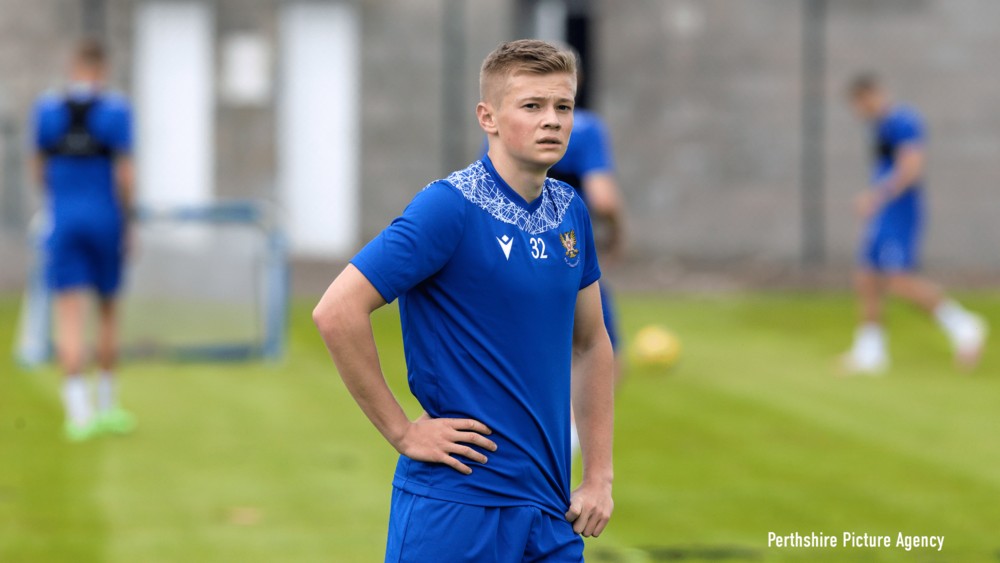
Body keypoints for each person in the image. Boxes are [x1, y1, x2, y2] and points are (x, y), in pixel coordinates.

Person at [313, 40, 614, 561]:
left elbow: (590, 344)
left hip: (550, 509)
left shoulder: (570, 210)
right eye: (532, 105)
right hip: (456, 506)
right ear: (487, 117)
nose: (552, 120)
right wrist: (403, 431)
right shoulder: (447, 207)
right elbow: (336, 310)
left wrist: (599, 477)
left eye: (562, 106)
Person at [842, 73, 987, 374]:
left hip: (899, 210)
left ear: (869, 96)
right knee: (867, 275)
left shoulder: (903, 121)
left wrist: (877, 196)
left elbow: (912, 168)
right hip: (884, 211)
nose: (858, 111)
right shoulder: (879, 126)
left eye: (859, 103)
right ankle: (870, 352)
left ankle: (963, 325)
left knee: (898, 280)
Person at [32, 38, 136, 441]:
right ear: (102, 70)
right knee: (107, 311)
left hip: (64, 220)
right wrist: (128, 221)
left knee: (68, 314)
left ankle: (78, 413)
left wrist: (56, 202)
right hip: (105, 219)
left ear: (73, 67)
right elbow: (124, 173)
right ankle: (107, 405)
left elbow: (38, 167)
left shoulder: (48, 111)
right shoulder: (116, 111)